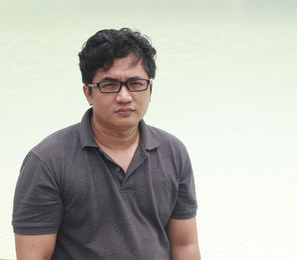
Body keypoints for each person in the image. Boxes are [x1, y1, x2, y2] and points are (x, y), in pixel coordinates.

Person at [12, 28, 200, 260]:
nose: (124, 96)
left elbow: (184, 246)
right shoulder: (48, 161)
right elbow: (33, 256)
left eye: (135, 83)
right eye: (109, 85)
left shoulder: (173, 153)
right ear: (88, 93)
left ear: (150, 89)